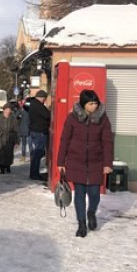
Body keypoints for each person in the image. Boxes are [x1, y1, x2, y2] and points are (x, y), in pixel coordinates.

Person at [57, 90, 113, 238]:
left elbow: (107, 142)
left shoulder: (103, 119)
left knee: (95, 194)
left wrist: (107, 163)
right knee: (79, 194)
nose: (94, 106)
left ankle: (91, 212)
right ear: (83, 104)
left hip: (96, 162)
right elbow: (64, 140)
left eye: (96, 103)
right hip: (76, 161)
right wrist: (60, 161)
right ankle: (81, 223)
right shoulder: (72, 118)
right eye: (91, 103)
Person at [28, 90, 51, 181]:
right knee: (38, 153)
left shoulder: (33, 104)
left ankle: (34, 173)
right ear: (42, 97)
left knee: (37, 153)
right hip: (40, 131)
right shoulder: (38, 105)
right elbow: (47, 115)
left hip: (35, 131)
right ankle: (34, 174)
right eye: (44, 98)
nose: (45, 100)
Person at [0, 103, 19, 174]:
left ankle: (8, 167)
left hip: (9, 138)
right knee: (0, 153)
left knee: (9, 153)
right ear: (3, 110)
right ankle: (2, 169)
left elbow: (16, 131)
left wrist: (17, 141)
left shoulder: (13, 119)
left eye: (9, 110)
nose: (8, 111)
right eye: (6, 110)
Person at [17, 97, 32, 162]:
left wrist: (20, 117)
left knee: (23, 144)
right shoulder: (32, 109)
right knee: (30, 144)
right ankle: (31, 157)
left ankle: (23, 157)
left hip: (23, 128)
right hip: (30, 129)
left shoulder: (22, 109)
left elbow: (16, 116)